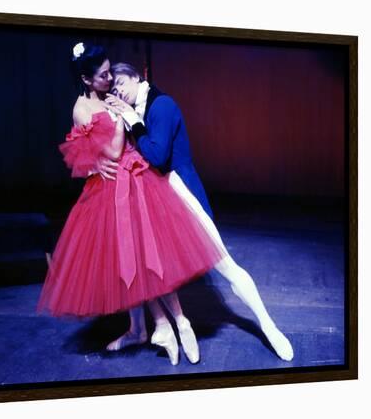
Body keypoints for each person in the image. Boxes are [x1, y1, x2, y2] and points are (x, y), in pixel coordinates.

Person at [37, 43, 228, 365]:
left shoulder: (111, 93)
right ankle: (157, 326)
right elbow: (107, 152)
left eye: (110, 70)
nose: (110, 77)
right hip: (111, 188)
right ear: (86, 79)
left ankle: (175, 324)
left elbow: (139, 132)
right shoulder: (83, 107)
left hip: (139, 178)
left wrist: (125, 114)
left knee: (153, 256)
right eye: (102, 75)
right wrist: (117, 118)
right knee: (131, 259)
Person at [98, 62, 294, 362]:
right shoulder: (135, 108)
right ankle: (142, 328)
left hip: (183, 194)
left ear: (137, 77)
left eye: (122, 83)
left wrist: (132, 120)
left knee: (225, 264)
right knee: (142, 262)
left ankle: (269, 326)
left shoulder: (160, 105)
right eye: (114, 88)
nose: (118, 91)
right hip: (160, 199)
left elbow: (157, 156)